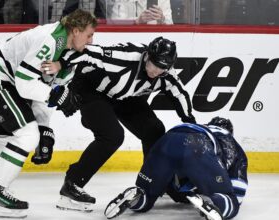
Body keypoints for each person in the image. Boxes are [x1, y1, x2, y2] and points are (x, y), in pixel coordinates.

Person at [0, 9, 97, 218]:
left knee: (5, 137)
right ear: (75, 30)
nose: (91, 41)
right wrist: (55, 97)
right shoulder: (50, 41)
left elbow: (43, 92)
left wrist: (46, 128)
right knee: (28, 135)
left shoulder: (67, 51)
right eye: (89, 35)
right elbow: (25, 84)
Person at [44, 36, 195, 212]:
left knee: (154, 130)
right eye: (154, 63)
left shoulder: (166, 73)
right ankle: (72, 185)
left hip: (124, 96)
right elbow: (87, 52)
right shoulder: (125, 56)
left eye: (163, 67)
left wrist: (190, 120)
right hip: (92, 90)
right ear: (147, 56)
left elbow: (179, 94)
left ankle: (154, 179)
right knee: (112, 136)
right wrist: (60, 64)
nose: (156, 71)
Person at [104, 117, 248, 220]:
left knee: (147, 195)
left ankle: (138, 198)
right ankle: (214, 202)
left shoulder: (202, 127)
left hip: (167, 139)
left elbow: (176, 175)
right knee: (231, 202)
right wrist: (220, 194)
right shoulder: (228, 138)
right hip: (197, 144)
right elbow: (238, 187)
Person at [107, 0, 173, 25]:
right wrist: (136, 21)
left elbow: (171, 24)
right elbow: (115, 22)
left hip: (156, 40)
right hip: (129, 40)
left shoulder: (163, 1)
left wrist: (162, 20)